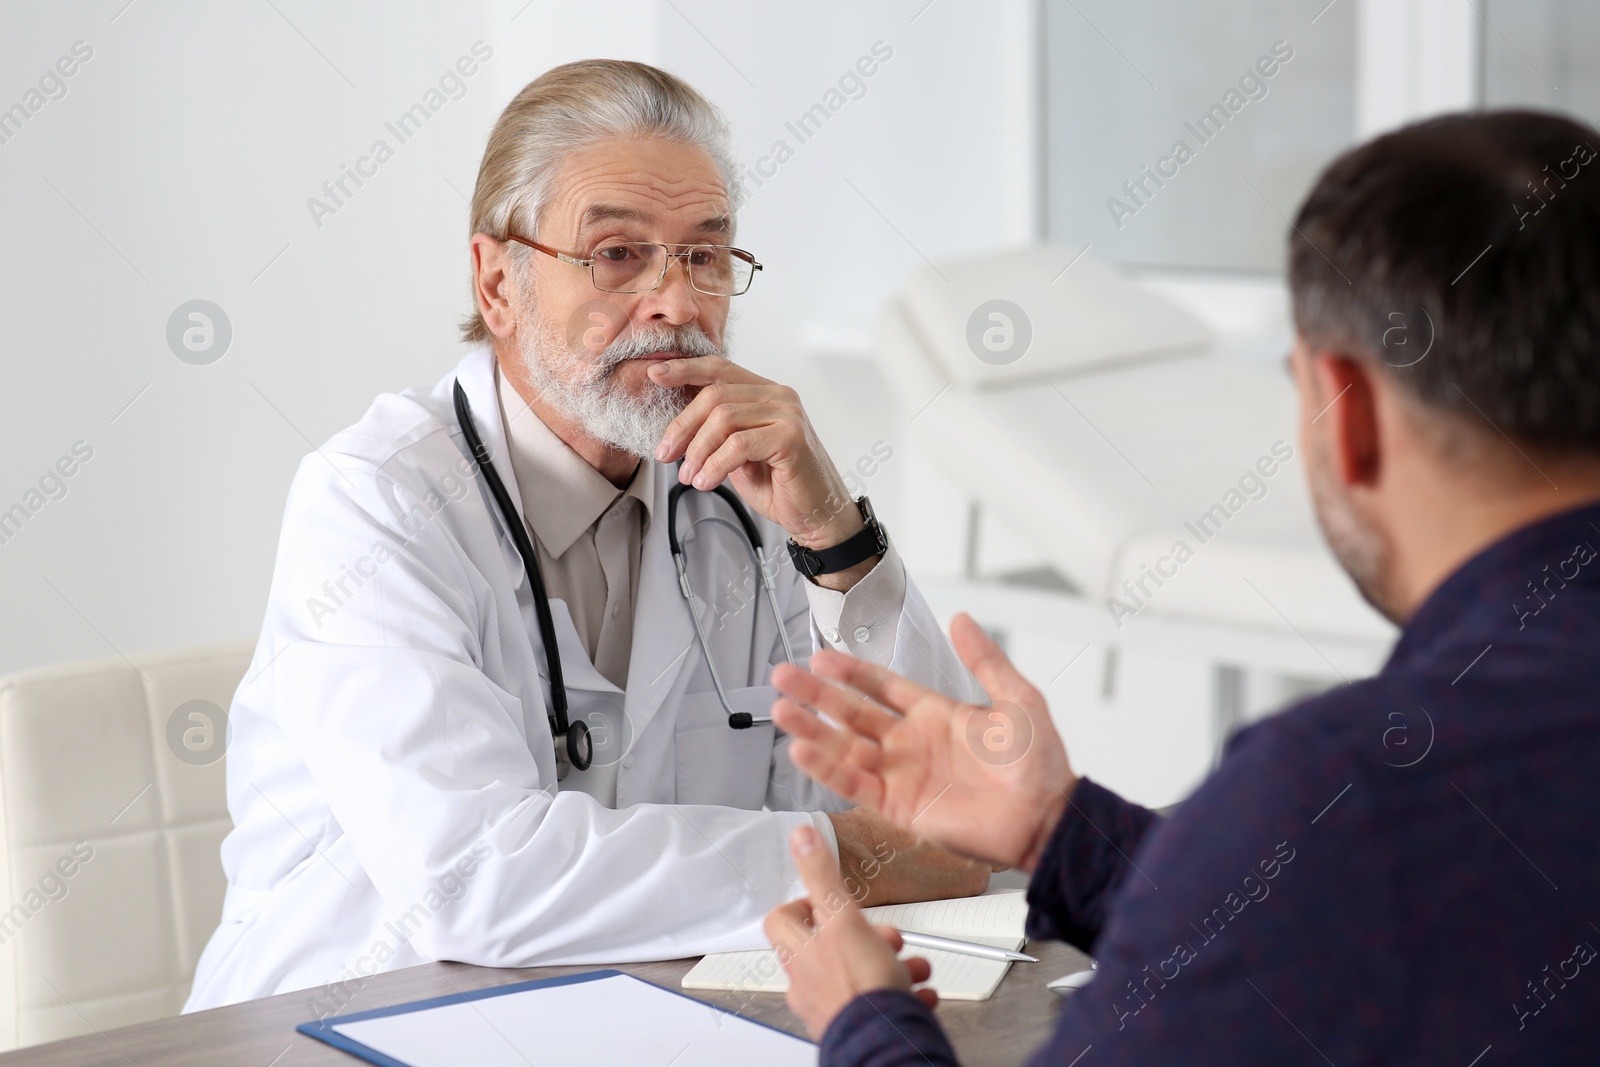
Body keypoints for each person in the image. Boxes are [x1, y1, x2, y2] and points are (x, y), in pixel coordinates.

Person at [762, 109, 1600, 1064]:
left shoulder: (1343, 791)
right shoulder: (1356, 819)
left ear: (1348, 410)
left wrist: (864, 1017)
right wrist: (1063, 833)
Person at [184, 60, 988, 1012]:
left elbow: (956, 804)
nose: (679, 305)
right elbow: (476, 880)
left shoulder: (744, 493)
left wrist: (834, 538)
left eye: (703, 255)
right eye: (617, 255)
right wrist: (848, 857)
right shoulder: (373, 503)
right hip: (347, 1017)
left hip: (640, 1007)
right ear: (497, 282)